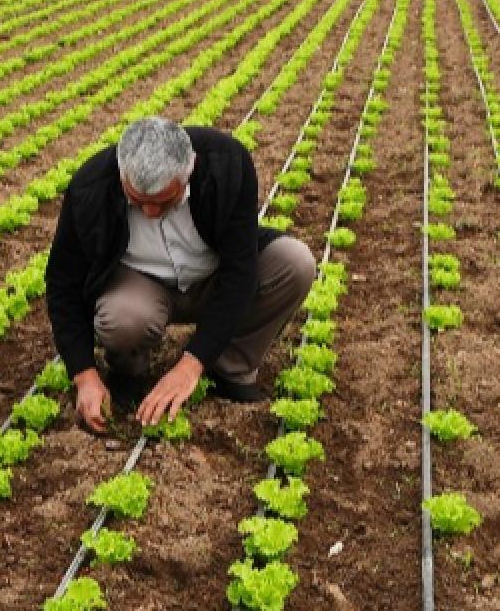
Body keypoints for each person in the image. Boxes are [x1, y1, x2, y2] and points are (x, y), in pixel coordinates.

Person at [45, 116, 316, 433]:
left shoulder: (227, 164)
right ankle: (128, 370)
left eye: (163, 202)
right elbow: (63, 283)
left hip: (210, 275)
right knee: (123, 318)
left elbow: (239, 270)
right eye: (138, 201)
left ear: (189, 171)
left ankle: (228, 366)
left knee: (295, 263)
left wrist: (192, 363)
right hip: (141, 283)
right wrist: (84, 375)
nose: (150, 212)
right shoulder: (90, 187)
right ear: (122, 176)